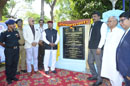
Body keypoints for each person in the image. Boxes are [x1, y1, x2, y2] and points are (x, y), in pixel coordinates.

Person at [101, 16, 124, 86]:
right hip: (108, 60)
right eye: (108, 21)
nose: (108, 23)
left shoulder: (120, 32)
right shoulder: (109, 33)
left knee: (116, 77)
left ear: (115, 22)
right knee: (110, 76)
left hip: (115, 60)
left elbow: (122, 47)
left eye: (110, 21)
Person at [87, 11, 107, 86]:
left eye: (95, 16)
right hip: (91, 47)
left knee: (99, 64)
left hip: (97, 48)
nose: (93, 18)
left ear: (99, 16)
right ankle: (94, 75)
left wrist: (99, 47)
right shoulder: (92, 25)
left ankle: (100, 79)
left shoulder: (103, 24)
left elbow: (103, 37)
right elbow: (90, 36)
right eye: (92, 16)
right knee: (90, 61)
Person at [0, 19, 20, 84]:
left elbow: (18, 39)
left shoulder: (16, 32)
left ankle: (13, 76)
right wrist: (6, 46)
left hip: (16, 50)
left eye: (14, 24)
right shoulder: (4, 33)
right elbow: (0, 42)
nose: (14, 25)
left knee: (15, 63)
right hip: (9, 51)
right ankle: (8, 78)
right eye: (12, 24)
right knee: (9, 64)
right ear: (8, 25)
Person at [116, 11, 130, 86]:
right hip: (124, 70)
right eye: (119, 21)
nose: (120, 23)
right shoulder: (126, 32)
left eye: (122, 20)